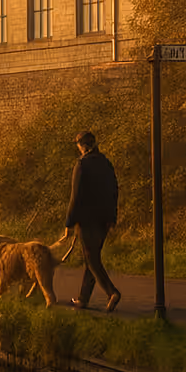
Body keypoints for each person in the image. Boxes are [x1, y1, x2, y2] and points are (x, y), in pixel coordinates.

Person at [56, 130, 121, 312]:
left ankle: (112, 292)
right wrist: (112, 217)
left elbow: (75, 197)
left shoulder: (82, 165)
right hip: (104, 220)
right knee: (91, 258)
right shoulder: (106, 163)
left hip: (87, 221)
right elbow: (115, 191)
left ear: (82, 146)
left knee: (91, 258)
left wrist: (69, 223)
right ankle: (83, 299)